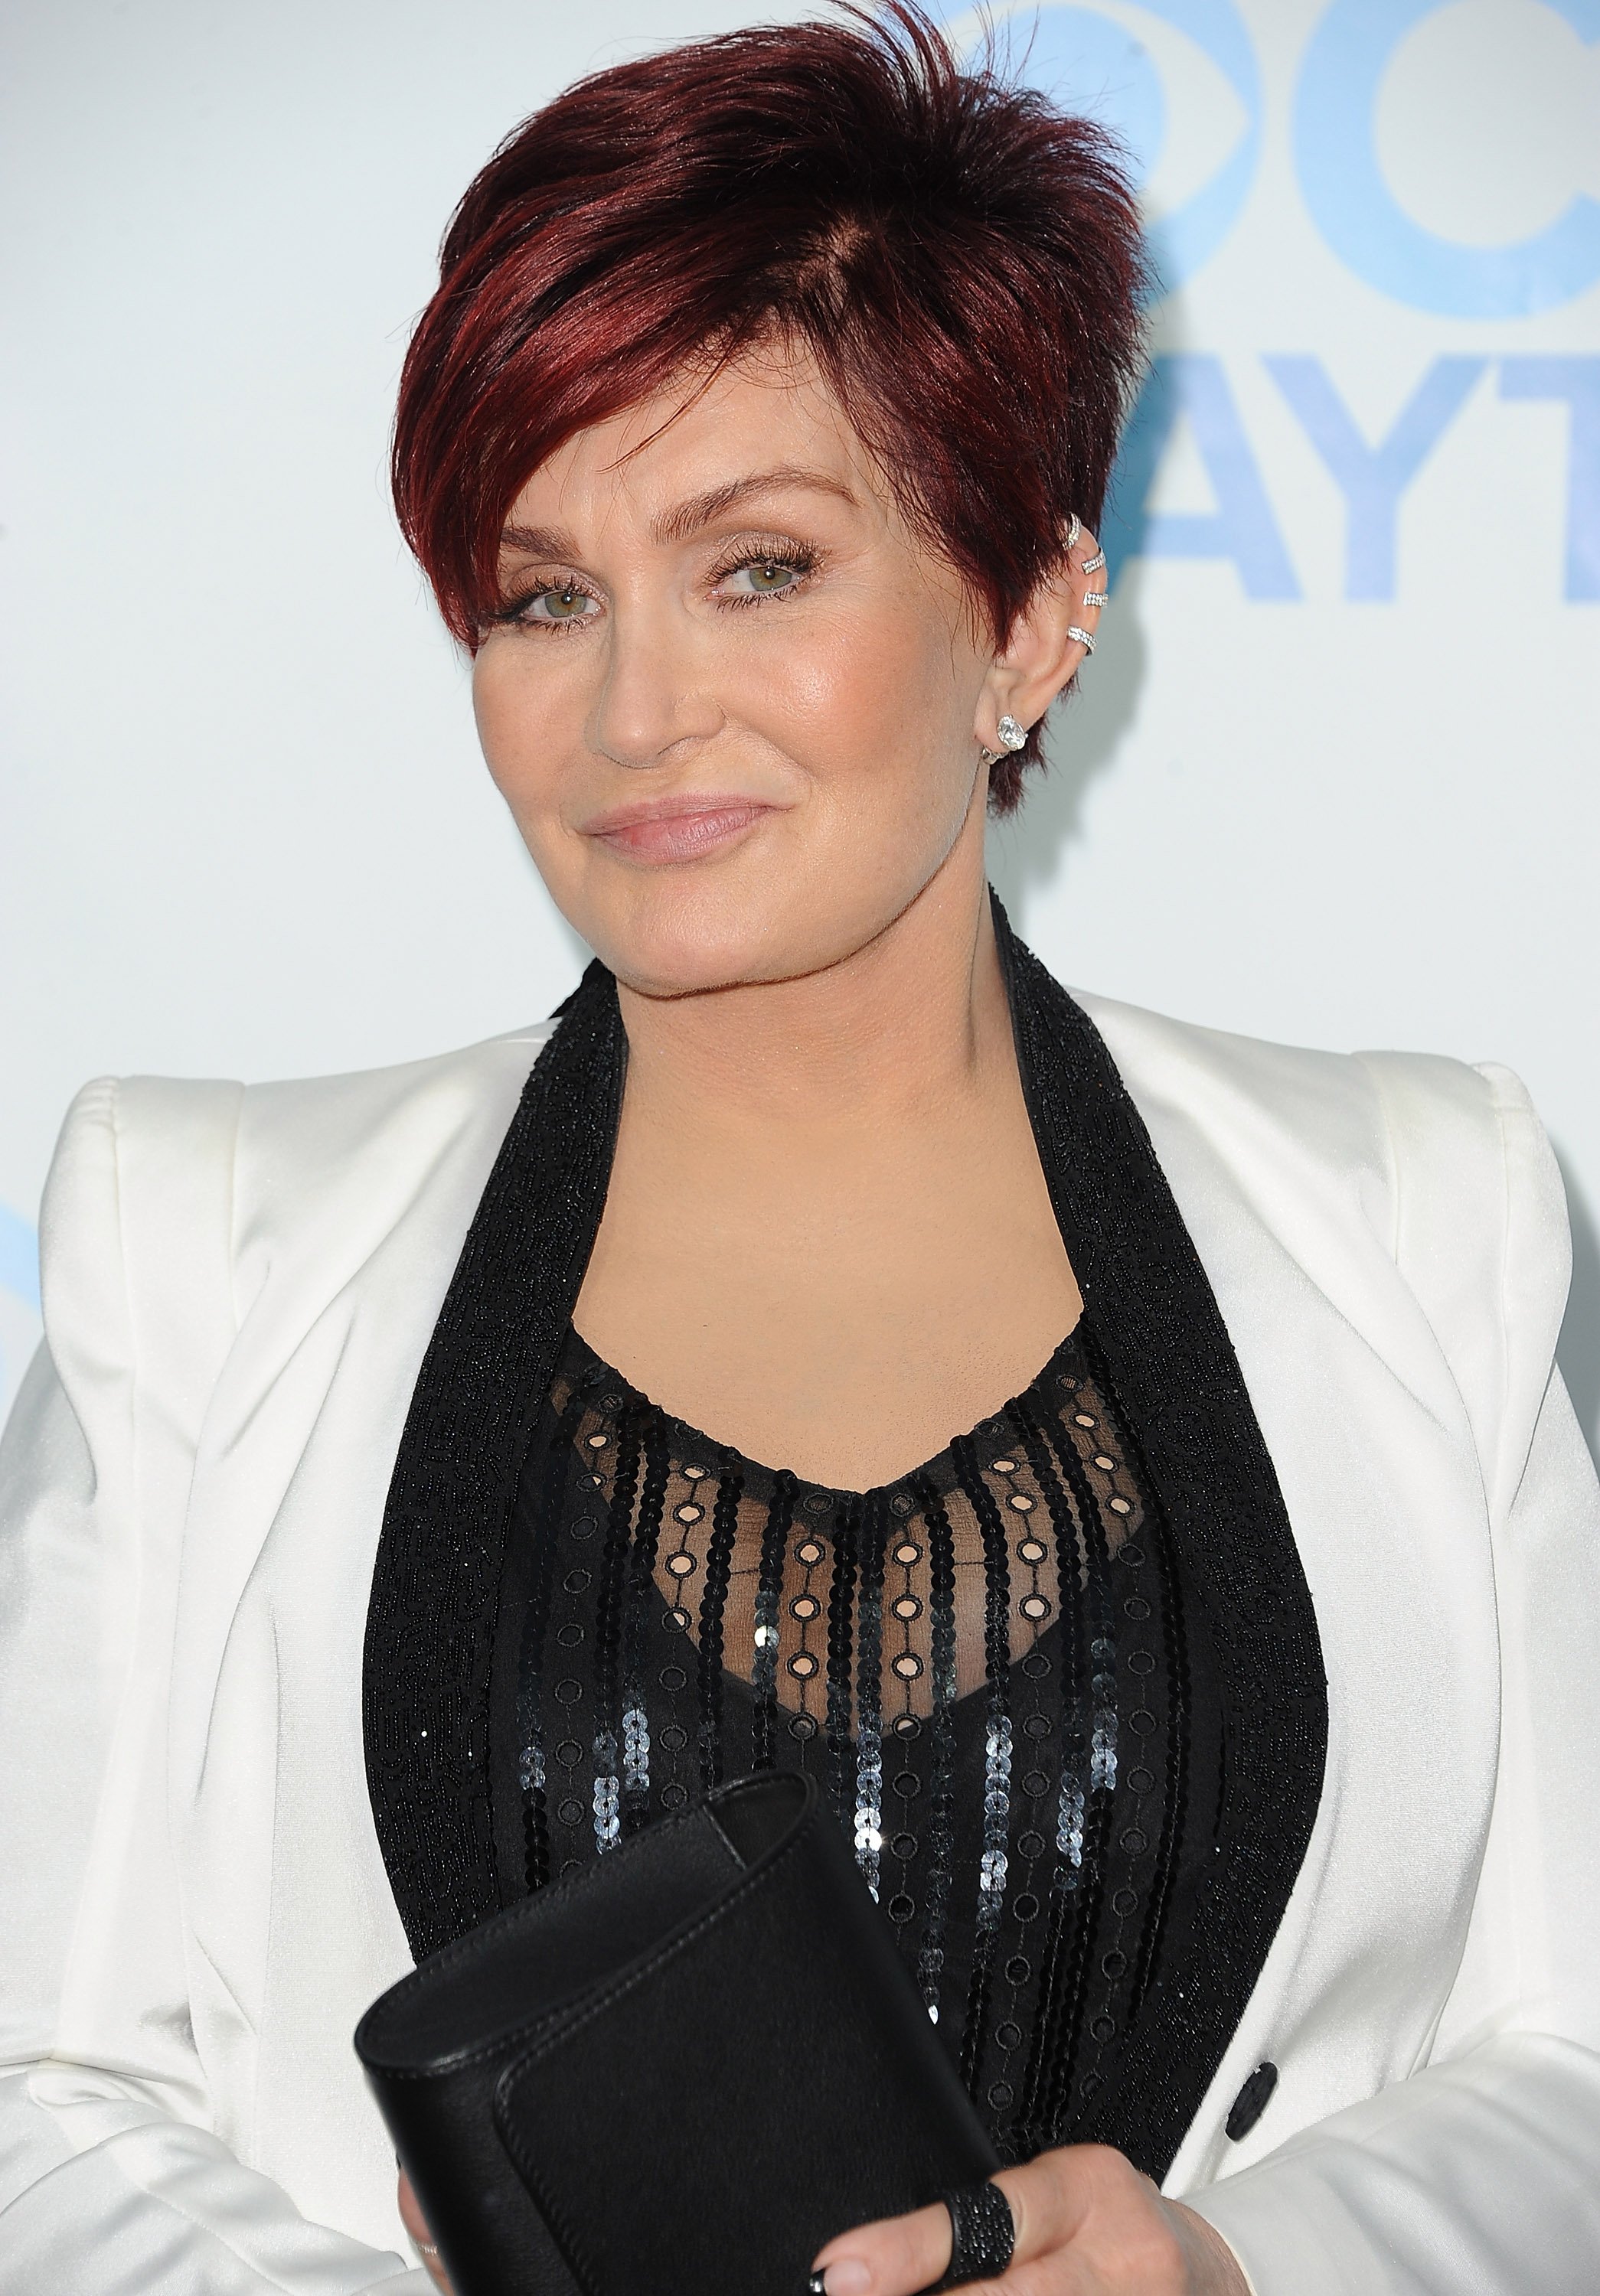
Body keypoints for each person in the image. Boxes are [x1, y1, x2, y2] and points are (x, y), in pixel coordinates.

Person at [2, 8, 1598, 2292]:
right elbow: (34, 2085)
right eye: (545, 597)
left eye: (755, 567)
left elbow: (1572, 2047)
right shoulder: (206, 1250)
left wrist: (1244, 2268)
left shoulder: (1413, 1214)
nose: (635, 712)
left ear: (1028, 618)